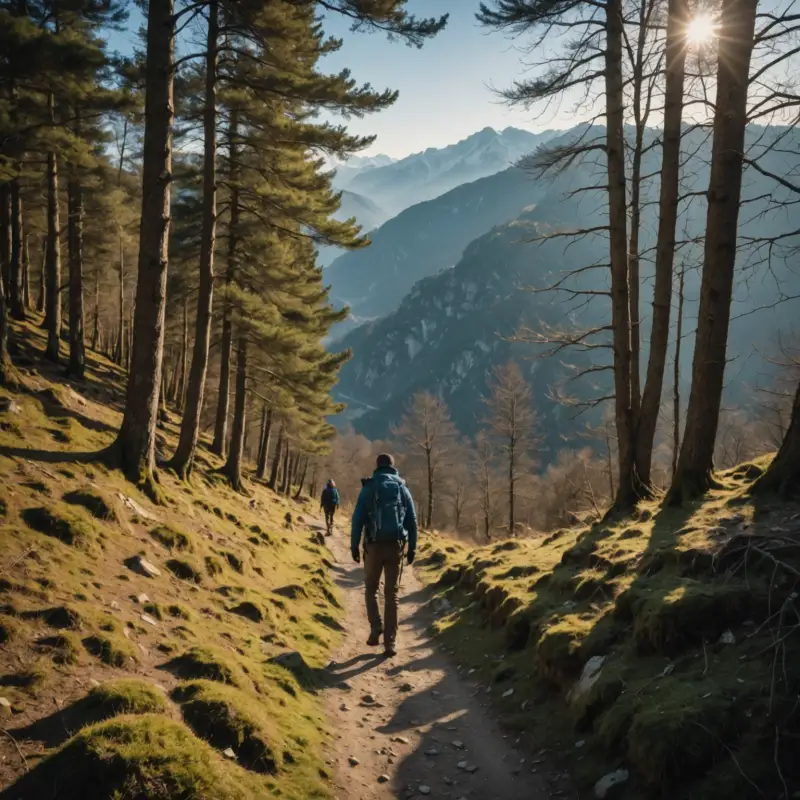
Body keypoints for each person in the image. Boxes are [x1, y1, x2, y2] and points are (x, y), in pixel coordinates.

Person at [351, 454, 417, 658]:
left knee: (371, 589)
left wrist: (354, 545)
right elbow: (412, 521)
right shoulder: (402, 488)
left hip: (373, 545)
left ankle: (375, 628)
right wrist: (412, 548)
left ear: (377, 467)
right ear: (393, 467)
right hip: (395, 546)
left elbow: (357, 519)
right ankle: (390, 643)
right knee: (392, 594)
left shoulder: (369, 488)